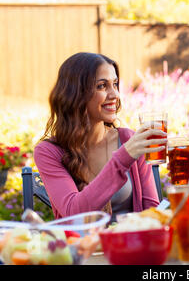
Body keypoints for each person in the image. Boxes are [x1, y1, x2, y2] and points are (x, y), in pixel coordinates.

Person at [33, 52, 166, 221]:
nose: (115, 95)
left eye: (115, 84)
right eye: (102, 86)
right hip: (82, 247)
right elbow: (73, 212)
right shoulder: (49, 152)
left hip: (132, 244)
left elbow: (152, 214)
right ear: (75, 94)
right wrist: (123, 158)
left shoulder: (128, 140)